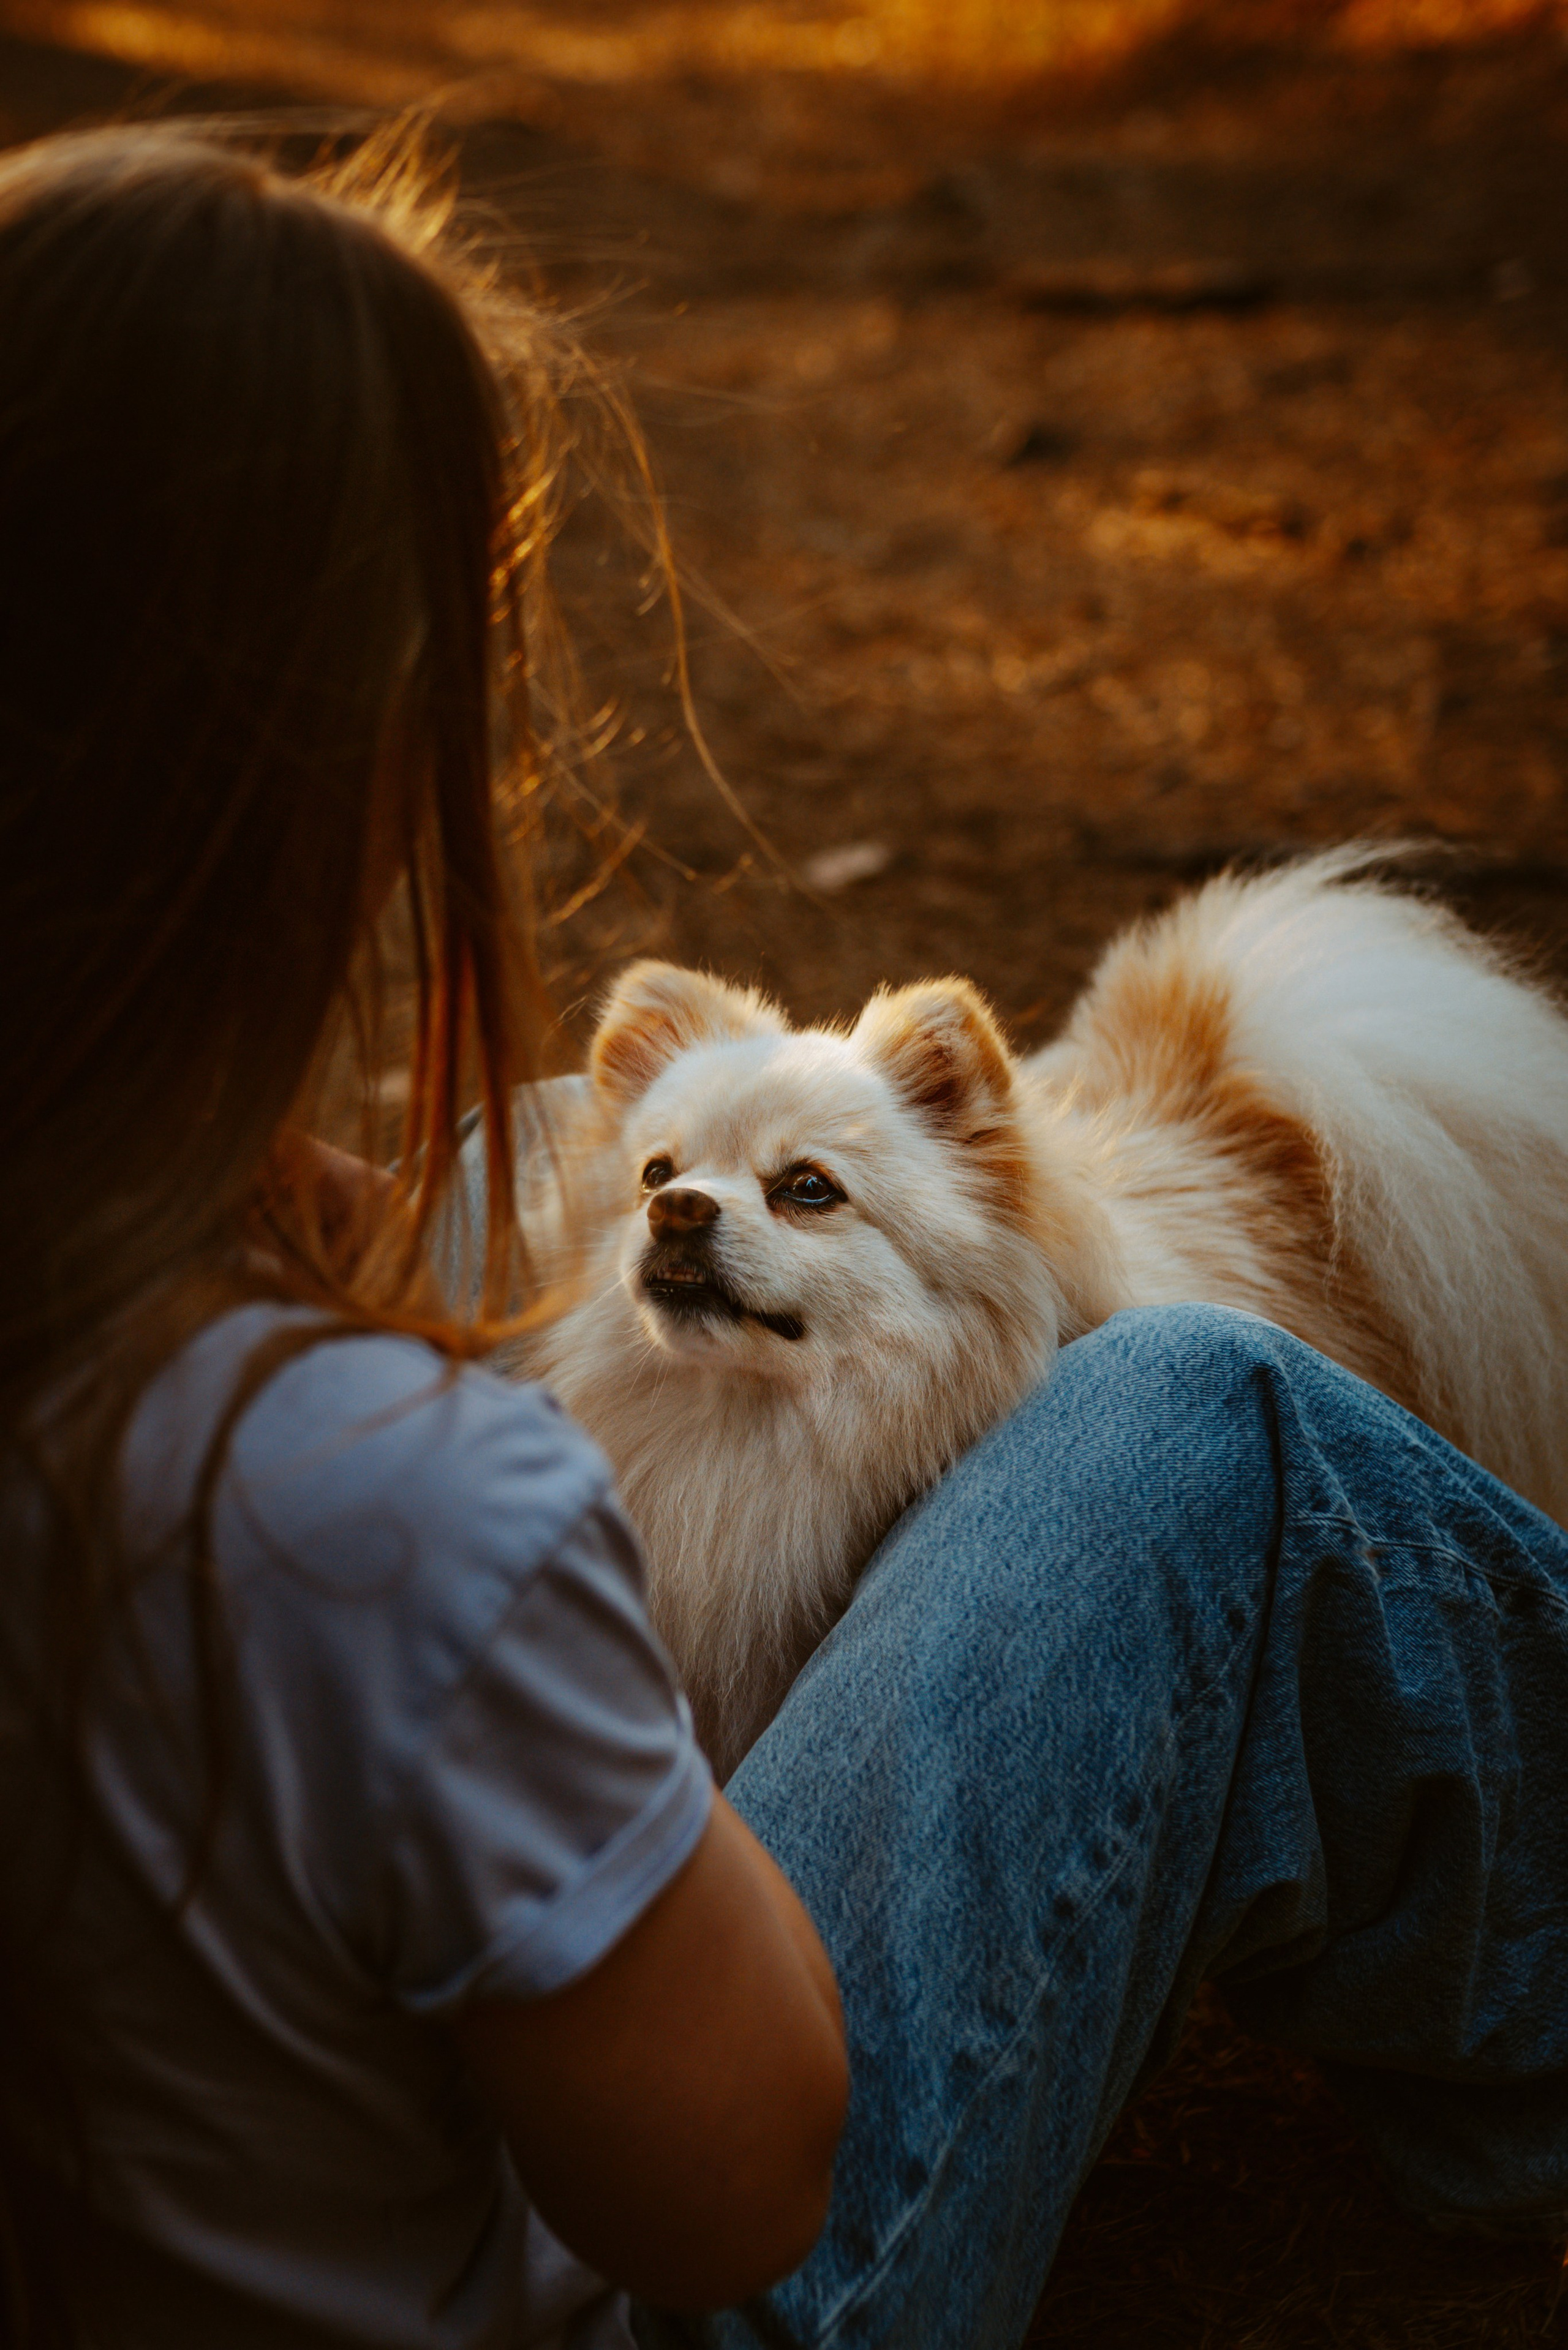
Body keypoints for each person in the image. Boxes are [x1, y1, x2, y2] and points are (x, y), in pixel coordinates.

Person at [1, 119, 1565, 2350]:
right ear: (353, 767)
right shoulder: (388, 1510)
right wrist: (615, 1718)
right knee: (1186, 1417)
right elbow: (736, 2180)